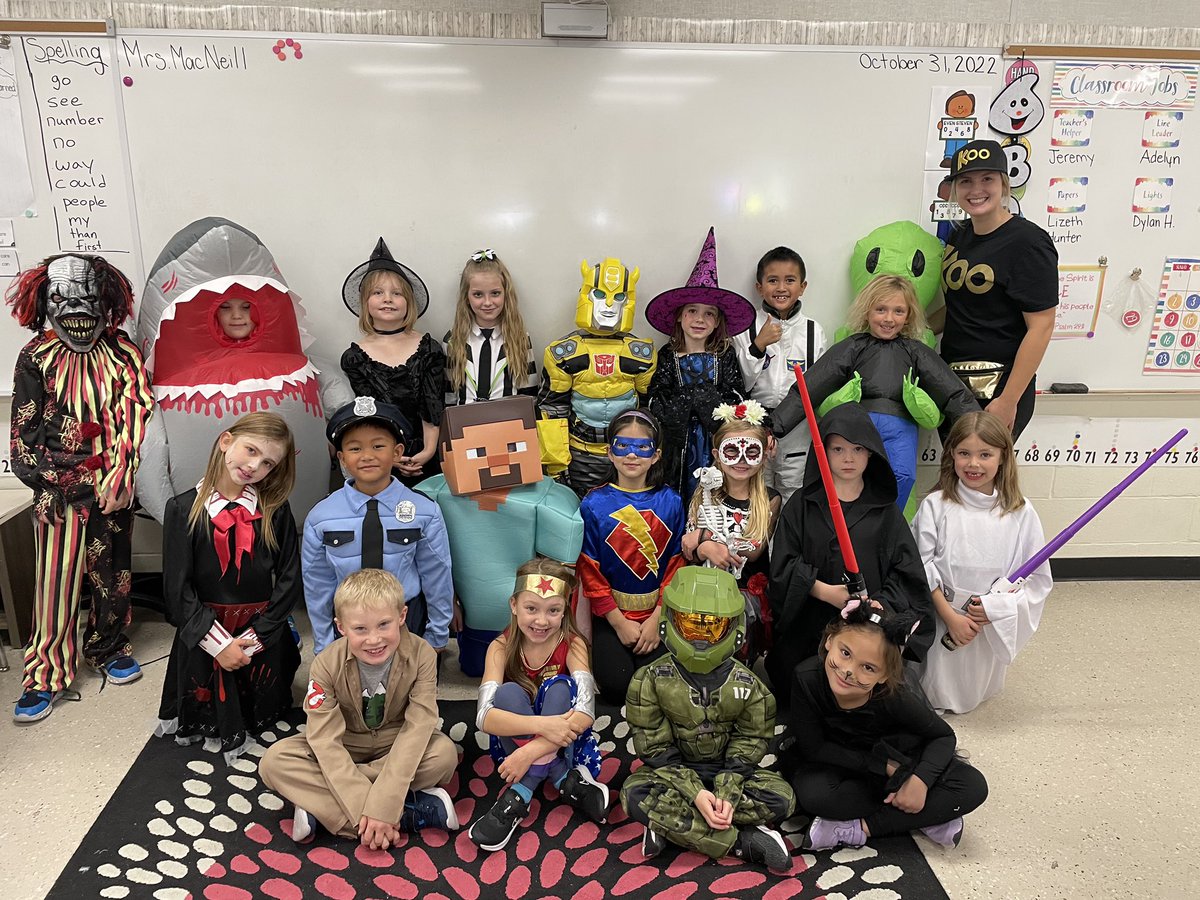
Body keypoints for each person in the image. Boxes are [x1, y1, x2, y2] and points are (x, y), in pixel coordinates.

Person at [7, 254, 154, 723]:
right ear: (44, 303)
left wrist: (122, 475)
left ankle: (107, 645)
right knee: (56, 580)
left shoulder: (124, 354)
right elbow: (24, 433)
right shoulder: (35, 357)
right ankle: (46, 673)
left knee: (112, 574)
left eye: (90, 297)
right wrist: (47, 483)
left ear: (108, 301)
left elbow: (135, 414)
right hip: (60, 487)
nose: (78, 307)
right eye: (64, 298)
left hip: (112, 484)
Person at [135, 217, 336, 526]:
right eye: (227, 308)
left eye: (246, 307)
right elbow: (151, 451)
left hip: (298, 523)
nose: (238, 316)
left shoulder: (305, 365)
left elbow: (345, 402)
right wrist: (174, 524)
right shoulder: (165, 388)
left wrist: (347, 431)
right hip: (206, 530)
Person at [259, 569, 459, 847]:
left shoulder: (422, 653)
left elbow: (419, 725)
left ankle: (324, 810)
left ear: (402, 617)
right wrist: (378, 808)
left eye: (383, 625)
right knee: (274, 762)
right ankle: (401, 816)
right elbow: (324, 739)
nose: (374, 639)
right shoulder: (326, 663)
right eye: (360, 629)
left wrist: (381, 800)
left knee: (445, 754)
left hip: (395, 740)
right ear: (341, 627)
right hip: (345, 742)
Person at [621, 567, 795, 872]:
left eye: (712, 627)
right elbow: (655, 751)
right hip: (671, 774)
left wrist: (725, 795)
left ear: (734, 628)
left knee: (783, 798)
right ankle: (743, 844)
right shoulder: (648, 680)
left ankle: (672, 828)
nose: (700, 637)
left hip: (730, 775)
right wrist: (697, 794)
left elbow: (749, 745)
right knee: (634, 793)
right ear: (671, 620)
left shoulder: (752, 687)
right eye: (691, 626)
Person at [155, 412, 301, 761]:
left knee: (262, 707)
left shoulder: (275, 510)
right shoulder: (183, 509)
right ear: (226, 442)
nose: (255, 465)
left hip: (259, 630)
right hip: (205, 631)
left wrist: (251, 642)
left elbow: (289, 578)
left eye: (267, 462)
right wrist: (219, 645)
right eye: (250, 450)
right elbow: (178, 590)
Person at [785, 601, 988, 851]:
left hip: (896, 754)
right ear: (829, 641)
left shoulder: (896, 696)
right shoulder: (805, 678)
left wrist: (920, 781)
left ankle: (859, 829)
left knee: (973, 786)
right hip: (841, 759)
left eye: (868, 668)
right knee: (814, 796)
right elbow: (814, 748)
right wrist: (883, 767)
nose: (848, 671)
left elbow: (943, 736)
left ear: (884, 676)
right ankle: (925, 816)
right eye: (845, 653)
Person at [767, 403, 932, 707]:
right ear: (823, 452)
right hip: (810, 623)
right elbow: (782, 567)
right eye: (838, 449)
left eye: (858, 449)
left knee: (880, 695)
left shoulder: (887, 513)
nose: (848, 458)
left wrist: (881, 602)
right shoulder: (801, 506)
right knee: (796, 679)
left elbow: (907, 574)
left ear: (871, 453)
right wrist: (824, 591)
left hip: (869, 624)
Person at [773, 275, 978, 510]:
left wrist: (983, 434)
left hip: (901, 427)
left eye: (898, 311)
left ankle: (884, 525)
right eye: (881, 309)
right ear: (867, 310)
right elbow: (809, 388)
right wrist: (773, 426)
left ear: (909, 315)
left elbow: (953, 393)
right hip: (858, 428)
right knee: (847, 479)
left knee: (902, 476)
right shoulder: (853, 347)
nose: (889, 319)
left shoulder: (916, 352)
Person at [416, 397, 583, 677]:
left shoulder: (544, 497)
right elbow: (427, 557)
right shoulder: (436, 495)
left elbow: (562, 560)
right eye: (478, 451)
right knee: (475, 667)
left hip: (531, 614)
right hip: (472, 611)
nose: (495, 459)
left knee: (529, 669)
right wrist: (447, 601)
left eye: (511, 447)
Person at [913, 411, 1053, 714]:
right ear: (951, 455)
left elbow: (1037, 580)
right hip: (944, 616)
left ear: (1003, 457)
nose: (973, 464)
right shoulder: (936, 505)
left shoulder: (1020, 512)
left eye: (985, 454)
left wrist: (996, 609)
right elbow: (921, 566)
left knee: (975, 685)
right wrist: (951, 618)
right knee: (936, 685)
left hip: (987, 618)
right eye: (964, 453)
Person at [469, 559, 608, 851]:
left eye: (553, 610)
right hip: (515, 745)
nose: (541, 621)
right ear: (514, 605)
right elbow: (484, 717)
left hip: (557, 745)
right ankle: (562, 779)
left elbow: (585, 712)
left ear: (565, 611)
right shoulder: (499, 647)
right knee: (506, 694)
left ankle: (521, 791)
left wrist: (530, 752)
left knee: (559, 688)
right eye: (531, 608)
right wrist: (543, 727)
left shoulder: (573, 644)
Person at [303, 398, 453, 658]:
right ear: (342, 458)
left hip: (407, 618)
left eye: (378, 446)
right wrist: (324, 644)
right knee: (351, 694)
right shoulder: (321, 516)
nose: (367, 456)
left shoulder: (423, 510)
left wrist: (437, 633)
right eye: (355, 448)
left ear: (396, 453)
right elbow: (317, 584)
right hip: (348, 622)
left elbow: (437, 574)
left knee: (409, 690)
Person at [935, 139, 1059, 438]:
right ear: (954, 189)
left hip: (999, 385)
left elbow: (1041, 326)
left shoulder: (1028, 242)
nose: (976, 190)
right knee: (955, 475)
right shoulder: (960, 236)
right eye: (965, 181)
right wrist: (907, 327)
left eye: (987, 179)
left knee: (982, 477)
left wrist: (1008, 400)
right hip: (952, 383)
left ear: (1004, 184)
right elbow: (957, 306)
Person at [577, 409, 685, 701]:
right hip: (612, 615)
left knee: (656, 687)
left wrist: (657, 619)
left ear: (656, 454)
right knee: (617, 685)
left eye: (642, 447)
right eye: (622, 446)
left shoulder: (672, 502)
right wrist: (618, 622)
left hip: (658, 613)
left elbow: (676, 564)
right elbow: (589, 568)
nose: (632, 455)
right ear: (609, 453)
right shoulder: (594, 503)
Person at [646, 227, 752, 502]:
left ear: (717, 322)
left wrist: (699, 400)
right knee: (677, 494)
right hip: (677, 443)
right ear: (679, 316)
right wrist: (691, 401)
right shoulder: (668, 354)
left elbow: (737, 398)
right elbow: (655, 399)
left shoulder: (724, 355)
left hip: (715, 440)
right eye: (692, 311)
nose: (699, 319)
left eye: (709, 314)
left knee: (714, 496)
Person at [537, 256, 656, 497]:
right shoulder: (563, 352)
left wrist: (648, 457)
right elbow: (551, 410)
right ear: (586, 295)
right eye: (600, 295)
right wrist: (556, 465)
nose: (610, 305)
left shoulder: (642, 354)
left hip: (628, 456)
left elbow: (649, 411)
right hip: (580, 454)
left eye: (619, 297)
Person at [681, 400, 781, 664]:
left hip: (744, 597)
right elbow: (688, 548)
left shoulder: (769, 499)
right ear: (716, 454)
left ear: (761, 457)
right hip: (702, 594)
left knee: (734, 662)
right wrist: (699, 543)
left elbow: (754, 548)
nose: (741, 460)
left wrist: (706, 539)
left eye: (750, 452)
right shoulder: (704, 493)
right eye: (732, 450)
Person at [340, 238, 446, 484]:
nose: (387, 299)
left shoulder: (429, 349)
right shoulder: (355, 358)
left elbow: (432, 407)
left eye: (396, 293)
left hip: (429, 451)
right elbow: (368, 415)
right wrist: (391, 457)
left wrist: (428, 452)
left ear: (408, 302)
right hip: (380, 456)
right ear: (365, 302)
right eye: (378, 293)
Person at [733, 246, 827, 505]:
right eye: (773, 280)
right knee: (755, 490)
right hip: (755, 423)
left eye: (790, 280)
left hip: (798, 425)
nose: (781, 288)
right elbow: (740, 383)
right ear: (759, 287)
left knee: (794, 491)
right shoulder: (746, 327)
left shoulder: (813, 330)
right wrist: (758, 346)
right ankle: (757, 546)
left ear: (803, 286)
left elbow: (820, 384)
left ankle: (785, 547)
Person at [443, 249, 538, 406]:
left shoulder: (519, 338)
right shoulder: (453, 340)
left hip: (508, 425)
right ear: (466, 297)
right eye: (478, 295)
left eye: (495, 293)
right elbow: (449, 398)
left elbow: (530, 396)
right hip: (465, 426)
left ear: (506, 294)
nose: (487, 302)